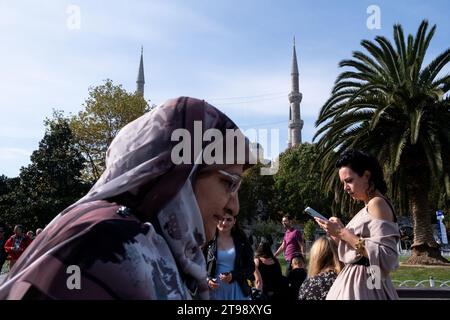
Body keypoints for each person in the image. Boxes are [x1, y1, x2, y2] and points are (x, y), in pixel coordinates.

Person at [0, 97, 256, 300]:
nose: (234, 206)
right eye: (229, 183)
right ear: (181, 173)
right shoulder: (112, 244)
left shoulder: (143, 240)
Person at [314, 149, 400, 300]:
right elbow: (360, 251)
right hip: (362, 284)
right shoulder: (369, 206)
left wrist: (342, 232)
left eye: (349, 181)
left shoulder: (377, 203)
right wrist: (337, 234)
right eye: (343, 183)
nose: (345, 188)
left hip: (364, 287)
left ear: (366, 175)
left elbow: (386, 256)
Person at [205, 212, 254, 300]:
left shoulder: (242, 241)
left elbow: (251, 267)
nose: (224, 223)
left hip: (238, 291)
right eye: (221, 219)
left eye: (229, 219)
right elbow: (199, 266)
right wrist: (208, 279)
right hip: (214, 293)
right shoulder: (208, 241)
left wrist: (233, 275)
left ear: (234, 221)